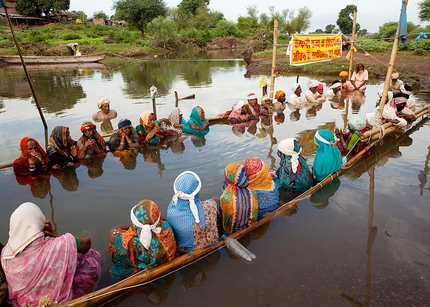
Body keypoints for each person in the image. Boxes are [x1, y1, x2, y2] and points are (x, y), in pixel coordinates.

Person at [1, 202, 101, 306]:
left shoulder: (6, 255)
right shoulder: (56, 245)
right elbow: (86, 242)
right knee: (91, 256)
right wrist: (57, 237)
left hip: (26, 304)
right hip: (56, 302)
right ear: (40, 221)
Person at [109, 199, 177, 280]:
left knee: (114, 248)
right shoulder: (166, 227)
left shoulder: (132, 242)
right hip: (165, 272)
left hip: (143, 277)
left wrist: (133, 226)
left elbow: (113, 234)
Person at [167, 171, 220, 253]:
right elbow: (213, 203)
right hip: (212, 246)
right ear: (196, 191)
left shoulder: (171, 213)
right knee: (215, 200)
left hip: (185, 252)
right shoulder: (210, 206)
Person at [220, 163, 259, 235]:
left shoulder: (226, 197)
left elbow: (227, 221)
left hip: (233, 232)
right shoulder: (252, 191)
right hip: (249, 227)